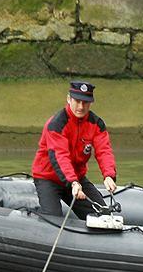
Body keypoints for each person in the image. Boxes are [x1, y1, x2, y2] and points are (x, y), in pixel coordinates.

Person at [31, 80, 123, 229]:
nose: (81, 107)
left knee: (103, 215)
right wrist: (73, 182)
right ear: (69, 99)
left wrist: (108, 175)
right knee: (52, 221)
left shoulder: (96, 124)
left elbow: (104, 151)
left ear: (91, 103)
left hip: (77, 178)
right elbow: (60, 156)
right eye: (77, 101)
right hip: (49, 178)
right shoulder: (57, 124)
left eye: (85, 103)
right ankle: (36, 214)